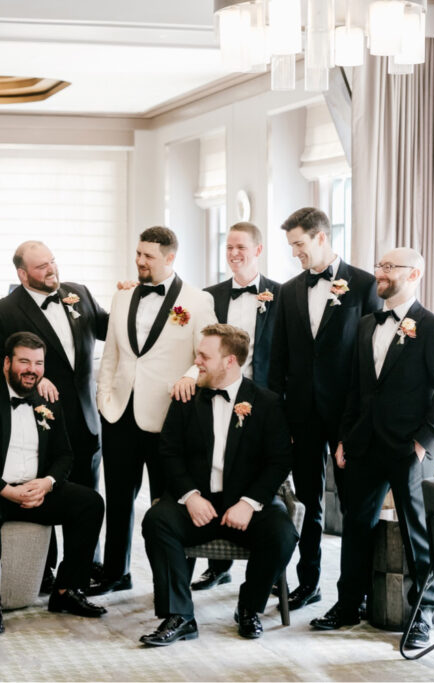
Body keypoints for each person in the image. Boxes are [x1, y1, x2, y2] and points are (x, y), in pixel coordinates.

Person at [311, 248, 434, 650]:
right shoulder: (365, 325)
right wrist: (343, 438)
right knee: (356, 527)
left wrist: (421, 443)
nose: (381, 272)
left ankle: (422, 614)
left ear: (415, 274)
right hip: (363, 444)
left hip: (407, 449)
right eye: (380, 265)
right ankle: (348, 605)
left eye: (390, 267)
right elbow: (356, 390)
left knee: (416, 533)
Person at [0, 331, 108, 632]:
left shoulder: (48, 399)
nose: (32, 369)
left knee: (90, 503)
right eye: (24, 361)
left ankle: (67, 590)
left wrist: (47, 483)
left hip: (31, 489)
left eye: (38, 363)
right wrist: (6, 490)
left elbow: (65, 455)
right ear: (6, 363)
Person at [139, 324, 296, 645]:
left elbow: (279, 461)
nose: (196, 361)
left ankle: (250, 606)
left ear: (230, 362)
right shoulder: (186, 396)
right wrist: (189, 496)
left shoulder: (265, 403)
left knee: (283, 533)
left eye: (204, 356)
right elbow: (168, 452)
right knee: (156, 522)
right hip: (198, 502)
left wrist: (249, 503)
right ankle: (179, 615)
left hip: (244, 504)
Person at [90, 226, 218, 596]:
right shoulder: (123, 297)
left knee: (171, 505)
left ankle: (170, 583)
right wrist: (104, 397)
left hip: (169, 417)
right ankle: (116, 572)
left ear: (169, 258)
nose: (140, 261)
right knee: (117, 498)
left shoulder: (196, 301)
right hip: (120, 414)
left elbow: (204, 358)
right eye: (138, 253)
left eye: (148, 255)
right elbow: (113, 352)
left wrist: (190, 378)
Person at [268, 207, 381, 612]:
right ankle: (308, 583)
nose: (295, 252)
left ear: (320, 237)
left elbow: (372, 361)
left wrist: (359, 423)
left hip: (349, 417)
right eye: (291, 245)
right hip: (302, 414)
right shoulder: (288, 290)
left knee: (354, 506)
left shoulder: (365, 285)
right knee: (309, 504)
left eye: (299, 244)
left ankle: (357, 592)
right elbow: (277, 358)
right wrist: (280, 415)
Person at [0, 241, 110, 588]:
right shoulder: (4, 311)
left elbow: (109, 329)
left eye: (52, 262)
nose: (51, 270)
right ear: (22, 274)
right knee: (45, 493)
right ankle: (43, 571)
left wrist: (130, 299)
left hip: (84, 416)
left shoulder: (78, 293)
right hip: (39, 421)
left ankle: (82, 571)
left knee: (86, 493)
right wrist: (36, 378)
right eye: (41, 267)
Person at [189, 221, 282, 592]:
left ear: (258, 250)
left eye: (241, 247)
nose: (234, 253)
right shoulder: (209, 296)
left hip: (265, 399)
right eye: (228, 247)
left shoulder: (280, 294)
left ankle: (269, 570)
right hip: (220, 393)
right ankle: (217, 566)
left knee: (264, 479)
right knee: (218, 469)